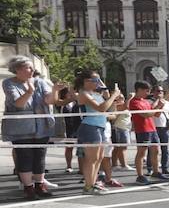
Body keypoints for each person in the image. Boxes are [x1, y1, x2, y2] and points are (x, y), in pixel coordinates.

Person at [1, 56, 65, 199]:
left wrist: (54, 90)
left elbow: (49, 100)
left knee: (40, 156)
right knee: (25, 156)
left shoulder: (40, 82)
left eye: (32, 67)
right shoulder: (8, 83)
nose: (32, 70)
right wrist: (29, 91)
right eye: (28, 67)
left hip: (42, 126)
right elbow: (18, 104)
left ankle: (40, 185)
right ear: (17, 69)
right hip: (21, 127)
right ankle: (28, 188)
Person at [74, 70, 120, 194]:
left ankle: (93, 183)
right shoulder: (83, 94)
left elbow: (107, 108)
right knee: (91, 159)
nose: (98, 83)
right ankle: (88, 186)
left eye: (98, 80)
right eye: (95, 80)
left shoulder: (96, 93)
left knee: (99, 157)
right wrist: (113, 96)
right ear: (85, 81)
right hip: (90, 127)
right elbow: (101, 108)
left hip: (99, 126)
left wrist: (110, 98)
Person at [128, 80, 168, 184]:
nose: (148, 93)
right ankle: (140, 175)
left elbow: (155, 114)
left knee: (156, 151)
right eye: (146, 90)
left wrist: (160, 106)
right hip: (142, 130)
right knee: (141, 153)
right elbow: (146, 114)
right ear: (139, 90)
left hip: (152, 129)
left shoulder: (145, 101)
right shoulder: (134, 102)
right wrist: (158, 107)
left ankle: (155, 172)